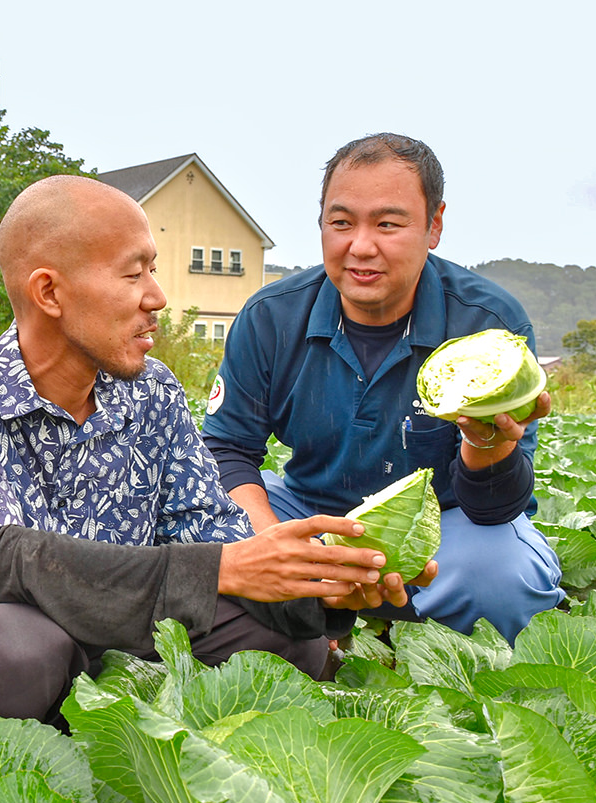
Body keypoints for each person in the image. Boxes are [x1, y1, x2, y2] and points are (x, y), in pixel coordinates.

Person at [0, 174, 429, 747]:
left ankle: (102, 746)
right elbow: (1, 562)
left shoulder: (155, 390)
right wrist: (218, 570)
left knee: (285, 638)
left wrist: (321, 586)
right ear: (49, 293)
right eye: (133, 273)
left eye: (153, 269)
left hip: (116, 645)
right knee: (25, 650)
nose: (157, 297)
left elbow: (216, 539)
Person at [202, 132, 564, 646]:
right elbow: (228, 448)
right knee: (204, 553)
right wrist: (270, 544)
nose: (361, 246)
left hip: (444, 522)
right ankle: (313, 633)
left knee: (502, 583)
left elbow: (492, 507)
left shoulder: (490, 329)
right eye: (341, 222)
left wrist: (489, 442)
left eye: (388, 224)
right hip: (307, 509)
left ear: (433, 225)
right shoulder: (270, 317)